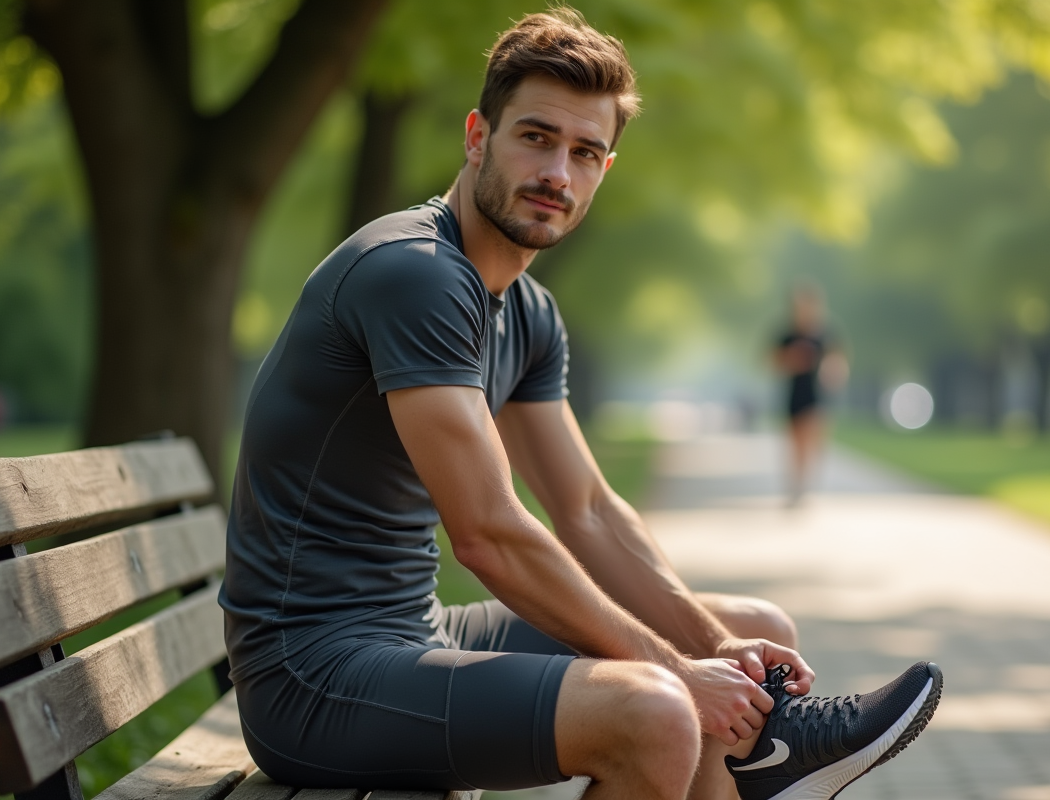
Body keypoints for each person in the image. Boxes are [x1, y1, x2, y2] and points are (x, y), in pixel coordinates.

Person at [219, 10, 940, 800]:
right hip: (311, 672)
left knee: (757, 636)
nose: (557, 171)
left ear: (604, 169)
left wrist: (716, 645)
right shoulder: (416, 273)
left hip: (415, 630)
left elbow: (588, 509)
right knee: (662, 711)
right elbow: (490, 534)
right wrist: (674, 670)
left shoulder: (525, 311)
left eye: (585, 152)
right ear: (476, 136)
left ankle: (763, 761)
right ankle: (767, 762)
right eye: (535, 137)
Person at [774, 284, 847, 504]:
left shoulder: (825, 334)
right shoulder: (787, 335)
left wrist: (833, 372)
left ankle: (805, 485)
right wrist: (791, 361)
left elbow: (839, 363)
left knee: (812, 440)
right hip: (794, 395)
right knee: (795, 443)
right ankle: (797, 485)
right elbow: (773, 362)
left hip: (818, 397)